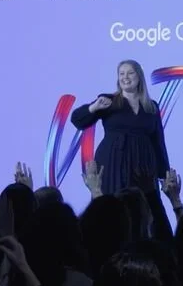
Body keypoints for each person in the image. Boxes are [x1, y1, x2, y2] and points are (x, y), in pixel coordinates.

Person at [71, 60, 169, 195]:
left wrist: (164, 174)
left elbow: (158, 142)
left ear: (139, 77)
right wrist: (94, 107)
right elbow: (77, 120)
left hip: (144, 165)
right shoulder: (108, 101)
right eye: (121, 74)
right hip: (113, 162)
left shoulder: (151, 107)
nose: (125, 77)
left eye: (130, 73)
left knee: (144, 203)